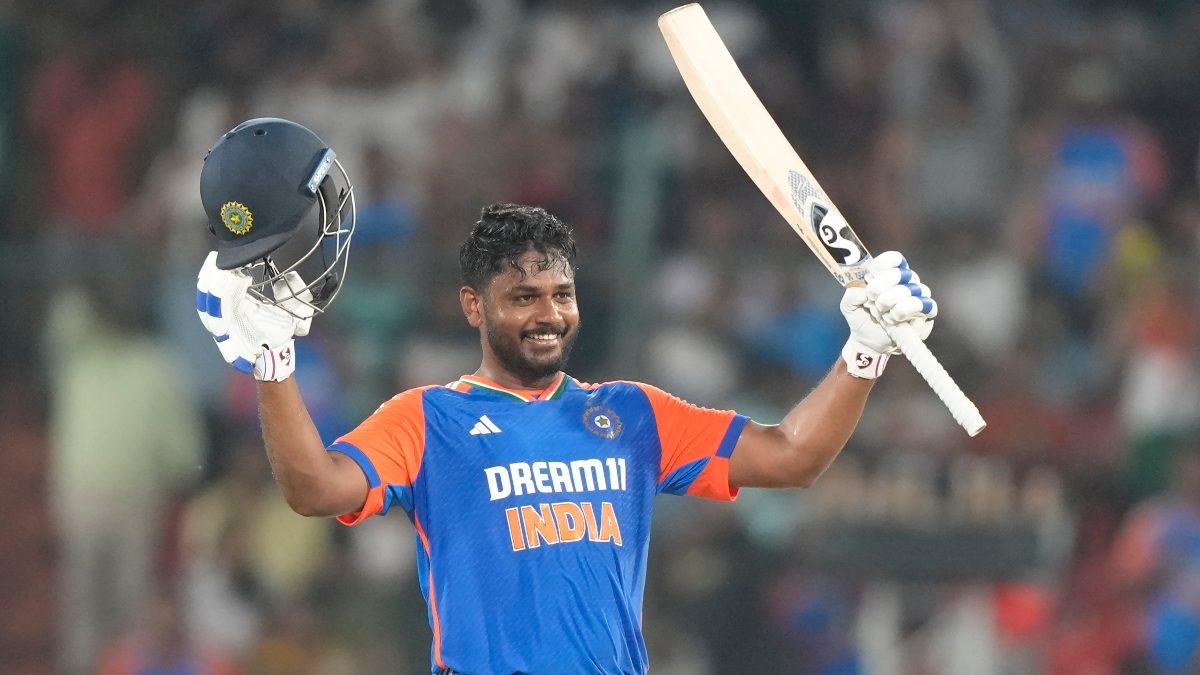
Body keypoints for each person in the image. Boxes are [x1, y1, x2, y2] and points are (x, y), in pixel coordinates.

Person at [194, 118, 937, 674]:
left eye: (561, 293)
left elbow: (795, 456)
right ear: (474, 307)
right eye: (523, 296)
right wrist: (273, 357)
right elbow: (313, 487)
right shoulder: (427, 420)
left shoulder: (631, 415)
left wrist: (865, 348)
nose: (548, 313)